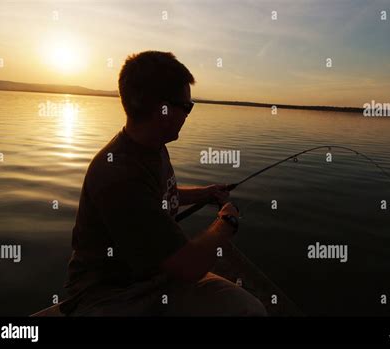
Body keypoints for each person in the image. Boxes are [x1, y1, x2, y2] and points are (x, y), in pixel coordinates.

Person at [61, 51, 267, 316]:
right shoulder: (118, 174)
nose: (188, 115)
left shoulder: (153, 146)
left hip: (159, 277)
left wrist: (202, 194)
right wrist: (227, 222)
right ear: (164, 109)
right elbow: (189, 266)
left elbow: (154, 196)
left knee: (249, 310)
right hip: (108, 295)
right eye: (187, 107)